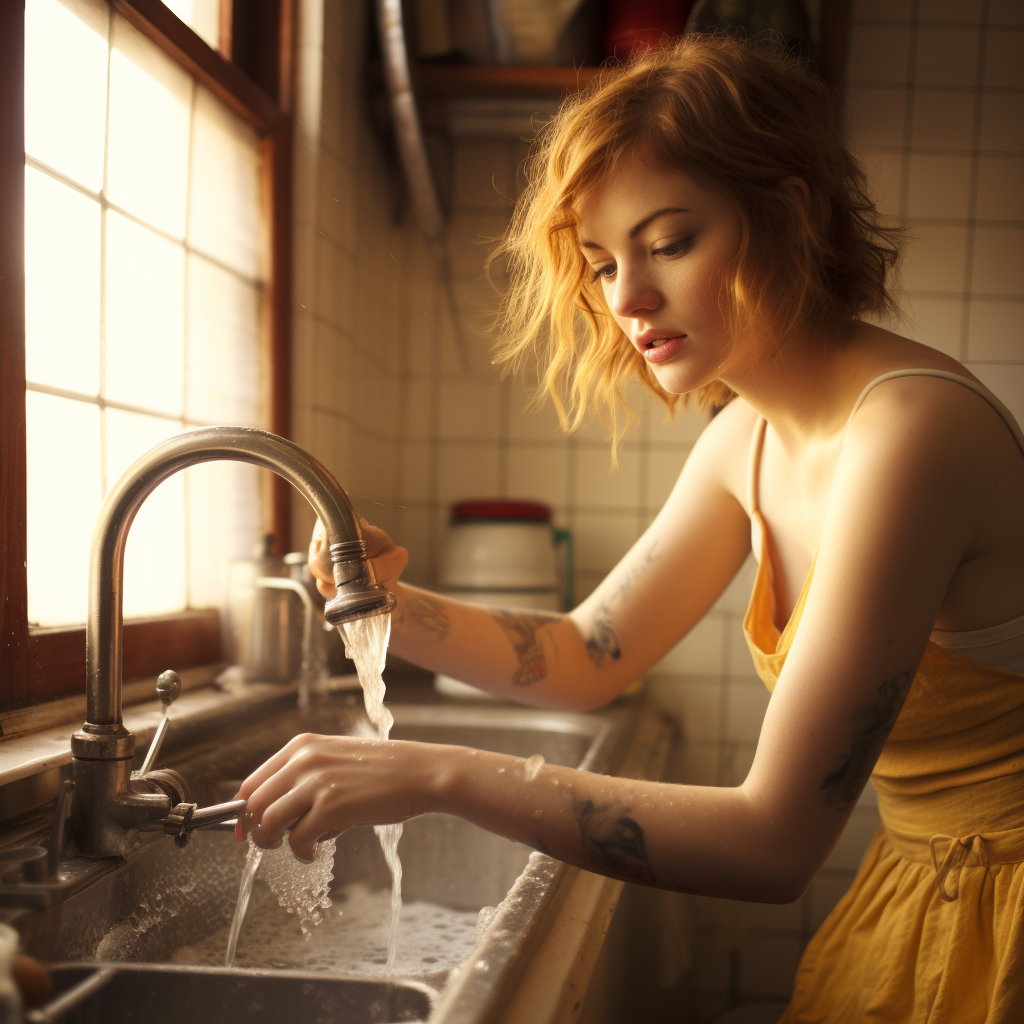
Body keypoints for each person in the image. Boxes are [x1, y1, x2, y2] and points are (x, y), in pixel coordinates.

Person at [236, 34, 1024, 1023]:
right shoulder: (748, 436)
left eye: (670, 242)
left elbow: (773, 842)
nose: (625, 299)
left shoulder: (910, 436)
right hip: (923, 892)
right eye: (604, 262)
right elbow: (584, 653)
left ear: (788, 211)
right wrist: (390, 606)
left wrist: (431, 772)